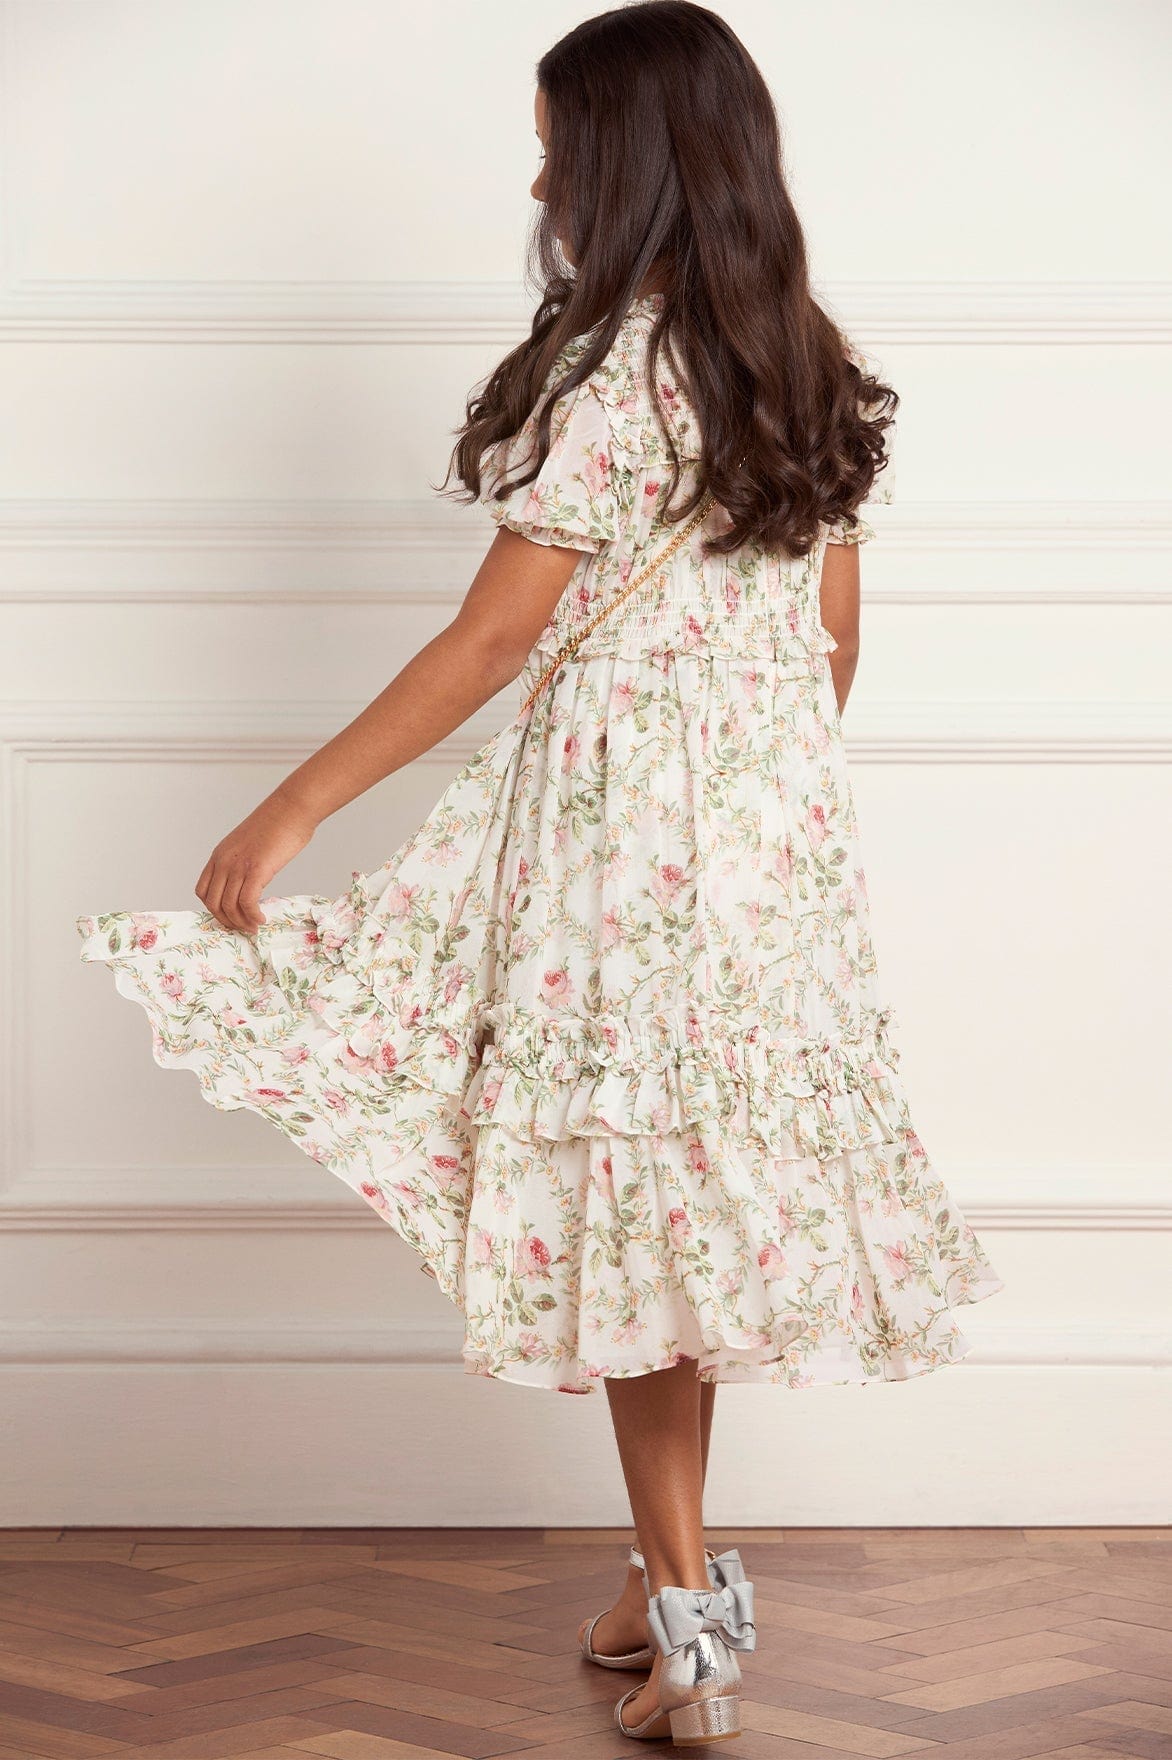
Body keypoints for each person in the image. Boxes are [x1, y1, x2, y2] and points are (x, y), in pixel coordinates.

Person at [76, 1, 1005, 1743]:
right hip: (770, 855)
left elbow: (493, 641)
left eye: (557, 151)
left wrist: (292, 810)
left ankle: (694, 1630)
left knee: (636, 1210)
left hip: (624, 853)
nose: (538, 184)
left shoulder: (613, 378)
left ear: (628, 163)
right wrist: (749, 802)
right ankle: (668, 1568)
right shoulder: (804, 363)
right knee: (689, 1202)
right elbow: (832, 645)